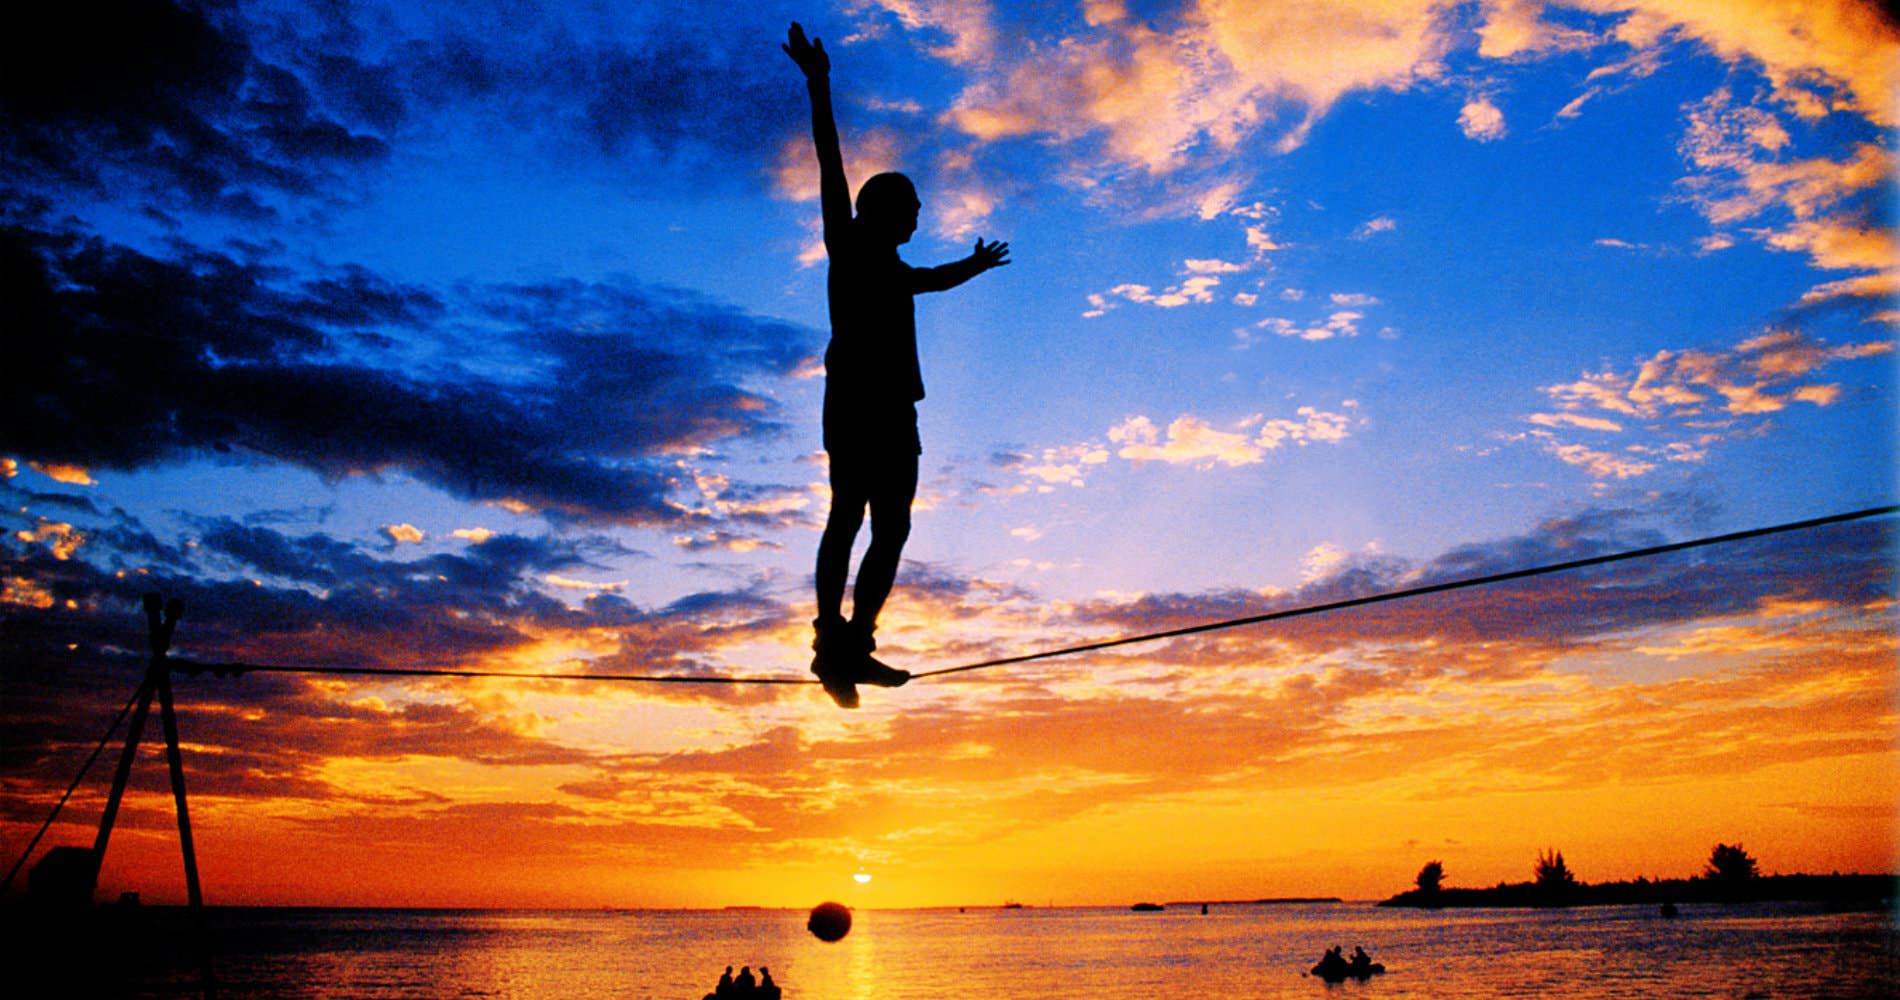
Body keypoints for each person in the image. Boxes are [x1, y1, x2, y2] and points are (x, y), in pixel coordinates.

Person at [783, 21, 1011, 708]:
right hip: (855, 406)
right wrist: (818, 83)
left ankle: (857, 643)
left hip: (894, 412)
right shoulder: (850, 250)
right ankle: (832, 640)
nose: (918, 214)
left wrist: (972, 265)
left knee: (894, 527)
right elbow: (830, 163)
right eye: (912, 206)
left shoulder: (891, 268)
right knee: (847, 516)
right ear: (884, 209)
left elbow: (932, 280)